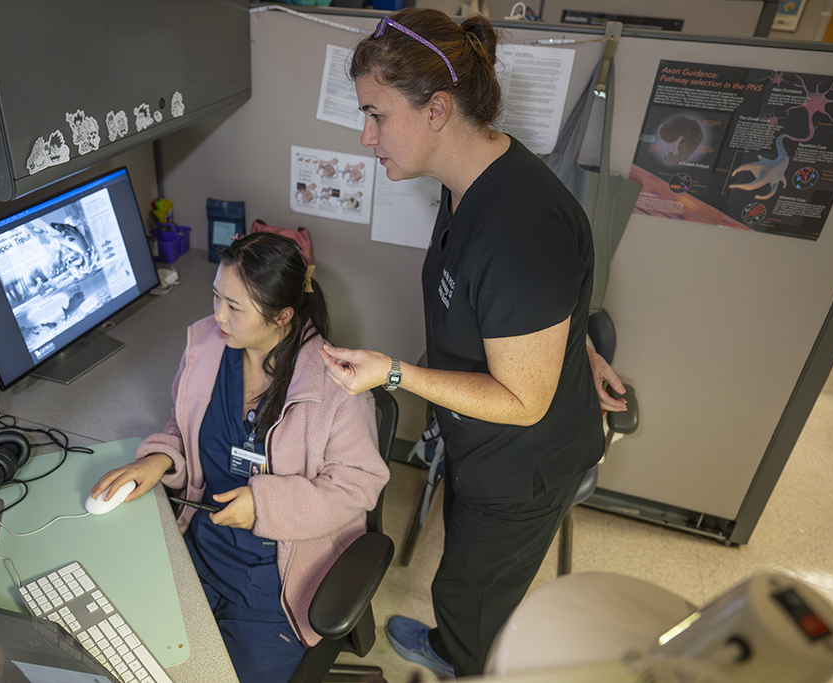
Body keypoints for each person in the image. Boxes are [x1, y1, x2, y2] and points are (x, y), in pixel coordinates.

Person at [319, 8, 624, 679]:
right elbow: (541, 311)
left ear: (438, 110)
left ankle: (465, 662)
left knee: (478, 591)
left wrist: (394, 372)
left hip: (521, 460)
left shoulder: (520, 228)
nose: (366, 136)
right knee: (462, 566)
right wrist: (584, 350)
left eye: (376, 114)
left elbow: (522, 398)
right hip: (479, 440)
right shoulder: (470, 185)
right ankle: (455, 640)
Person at [91, 233, 390, 683]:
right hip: (200, 552)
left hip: (275, 586)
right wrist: (160, 459)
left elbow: (358, 486)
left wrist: (264, 504)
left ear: (282, 316)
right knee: (130, 660)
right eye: (216, 298)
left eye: (234, 307)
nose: (218, 316)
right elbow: (183, 426)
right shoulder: (207, 349)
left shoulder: (335, 389)